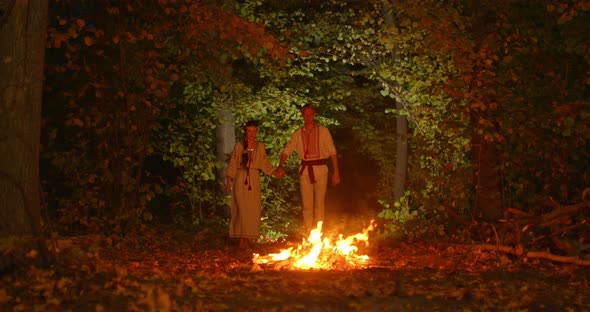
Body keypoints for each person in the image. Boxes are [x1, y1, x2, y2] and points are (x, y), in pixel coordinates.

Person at [276, 104, 341, 233]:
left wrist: (336, 172)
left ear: (314, 115)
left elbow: (332, 152)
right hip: (305, 171)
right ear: (302, 115)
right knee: (307, 205)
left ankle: (317, 233)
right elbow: (287, 150)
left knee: (319, 204)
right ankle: (308, 233)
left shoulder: (323, 131)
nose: (308, 117)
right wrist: (280, 166)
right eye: (306, 114)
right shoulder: (298, 133)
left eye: (311, 114)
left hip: (321, 169)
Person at [226, 120, 278, 248]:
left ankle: (248, 237)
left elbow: (264, 163)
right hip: (240, 178)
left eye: (254, 131)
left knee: (252, 209)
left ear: (256, 132)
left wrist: (275, 172)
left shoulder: (260, 146)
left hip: (253, 179)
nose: (251, 134)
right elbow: (233, 163)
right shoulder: (239, 146)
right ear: (245, 131)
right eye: (249, 131)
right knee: (242, 209)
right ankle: (242, 239)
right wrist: (228, 182)